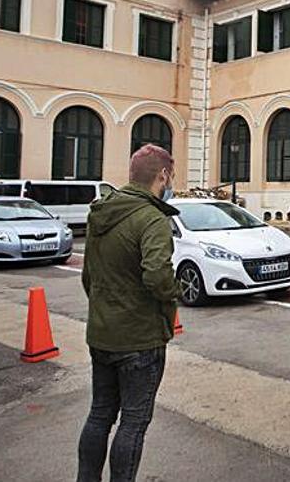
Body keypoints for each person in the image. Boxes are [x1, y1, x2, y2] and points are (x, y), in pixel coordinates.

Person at [78, 144, 181, 482]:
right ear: (162, 175)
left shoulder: (101, 212)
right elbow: (157, 274)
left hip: (102, 334)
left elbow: (88, 276)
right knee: (134, 423)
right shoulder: (152, 217)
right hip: (140, 338)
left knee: (99, 415)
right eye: (171, 177)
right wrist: (171, 298)